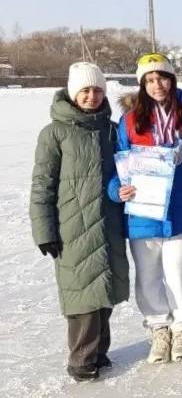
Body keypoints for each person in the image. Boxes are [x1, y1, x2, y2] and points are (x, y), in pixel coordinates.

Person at [30, 63, 130, 382]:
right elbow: (42, 184)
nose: (91, 96)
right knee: (83, 295)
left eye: (97, 90)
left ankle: (99, 352)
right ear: (74, 94)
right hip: (72, 226)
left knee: (105, 290)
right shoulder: (55, 133)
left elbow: (125, 172)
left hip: (109, 221)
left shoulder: (112, 129)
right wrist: (44, 231)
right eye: (85, 91)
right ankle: (81, 359)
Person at [108, 53, 182, 364]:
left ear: (172, 80)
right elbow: (119, 164)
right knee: (148, 274)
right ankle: (158, 328)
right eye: (149, 80)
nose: (157, 84)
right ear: (141, 85)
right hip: (143, 210)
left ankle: (181, 328)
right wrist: (116, 189)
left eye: (162, 77)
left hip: (181, 208)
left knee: (179, 271)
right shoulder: (130, 120)